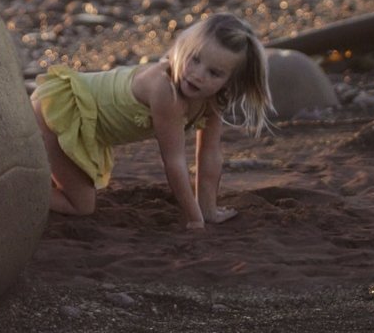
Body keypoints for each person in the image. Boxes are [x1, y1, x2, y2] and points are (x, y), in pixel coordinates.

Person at [30, 13, 273, 229]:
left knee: (75, 190)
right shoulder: (166, 91)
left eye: (214, 73)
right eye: (194, 59)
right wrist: (193, 218)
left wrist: (207, 211)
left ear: (229, 81)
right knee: (81, 205)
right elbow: (174, 162)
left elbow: (209, 155)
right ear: (184, 49)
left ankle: (36, 182)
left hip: (84, 123)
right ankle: (16, 194)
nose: (198, 75)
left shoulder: (213, 99)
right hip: (61, 114)